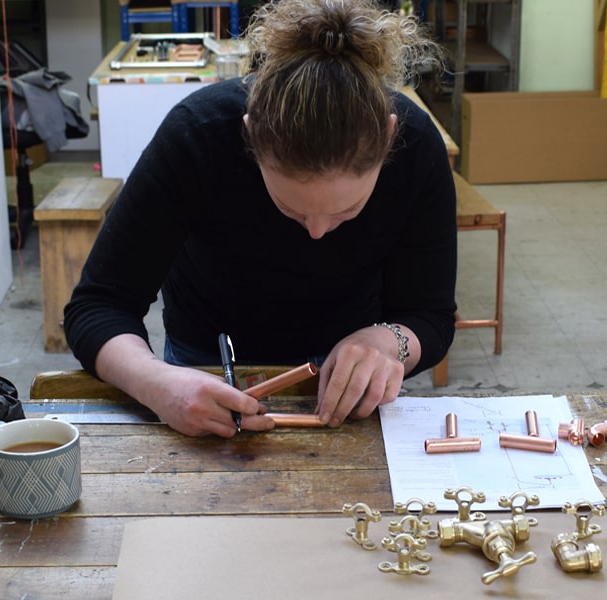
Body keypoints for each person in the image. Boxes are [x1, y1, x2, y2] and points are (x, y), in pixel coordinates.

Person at [63, 0, 456, 437]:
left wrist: (388, 342)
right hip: (203, 373)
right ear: (249, 133)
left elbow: (431, 315)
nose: (317, 231)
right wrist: (157, 383)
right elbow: (98, 305)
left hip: (353, 393)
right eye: (290, 208)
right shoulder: (197, 137)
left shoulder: (416, 149)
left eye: (347, 212)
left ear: (386, 135)